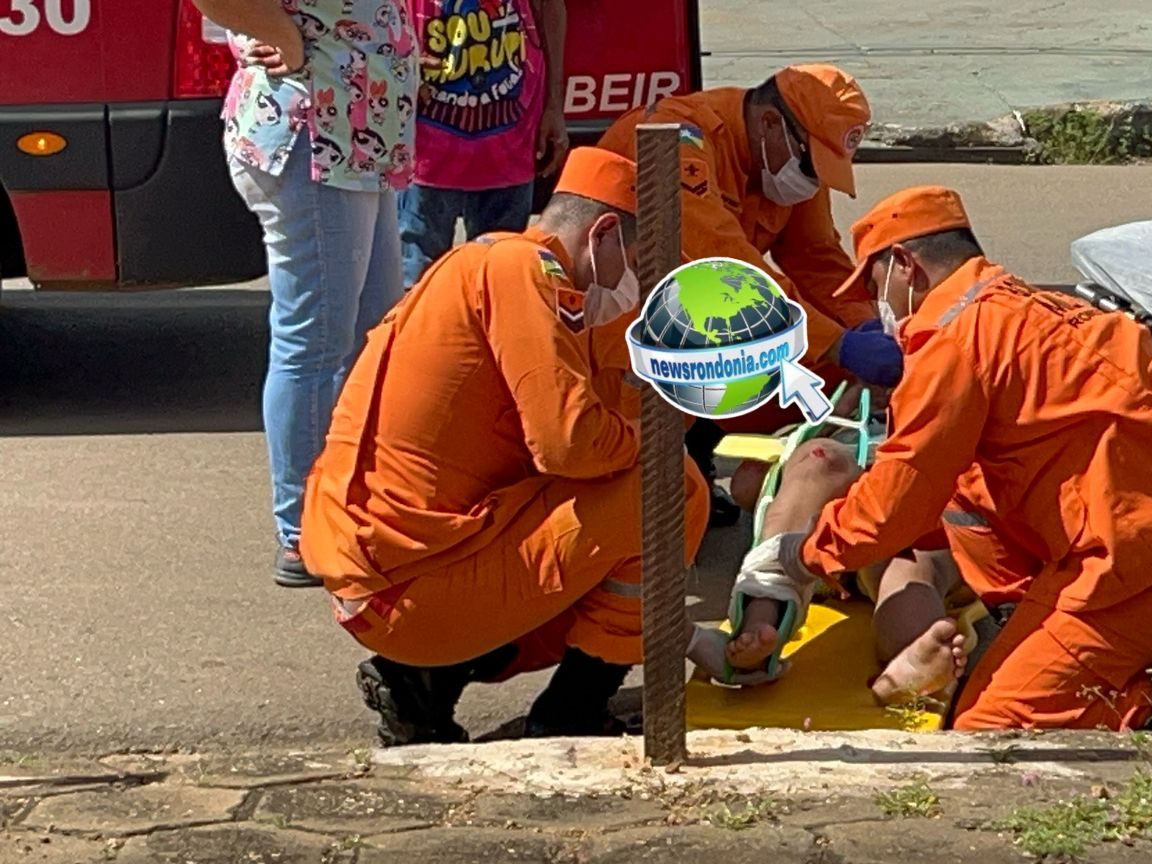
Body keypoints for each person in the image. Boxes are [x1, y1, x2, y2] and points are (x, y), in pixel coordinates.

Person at [728, 185, 1152, 731]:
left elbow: (898, 497)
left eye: (876, 288)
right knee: (946, 510)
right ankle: (1058, 648)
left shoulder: (954, 344)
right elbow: (946, 491)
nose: (881, 310)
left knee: (992, 727)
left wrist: (800, 556)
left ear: (903, 265)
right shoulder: (1032, 310)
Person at [298, 148, 742, 746]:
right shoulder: (524, 272)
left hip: (386, 577)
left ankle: (426, 682)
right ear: (603, 234)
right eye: (638, 266)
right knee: (669, 487)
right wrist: (655, 436)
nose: (636, 292)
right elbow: (571, 445)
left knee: (610, 501)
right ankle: (570, 711)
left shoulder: (492, 266)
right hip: (407, 589)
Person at [595, 63, 902, 526]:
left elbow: (816, 257)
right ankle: (642, 485)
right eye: (810, 166)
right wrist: (838, 342)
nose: (812, 181)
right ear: (770, 123)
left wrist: (865, 323)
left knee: (835, 363)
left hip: (705, 322)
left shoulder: (791, 160)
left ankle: (711, 464)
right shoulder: (676, 138)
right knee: (632, 499)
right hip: (627, 331)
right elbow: (722, 264)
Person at [196, 0, 418, 588]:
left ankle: (350, 504)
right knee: (316, 345)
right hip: (316, 139)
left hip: (353, 138)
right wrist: (283, 40)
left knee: (370, 338)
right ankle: (301, 532)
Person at [724, 434, 969, 706]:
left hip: (908, 507)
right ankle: (763, 615)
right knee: (820, 460)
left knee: (914, 563)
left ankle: (912, 655)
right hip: (842, 503)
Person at [399, 0, 570, 289]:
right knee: (416, 287)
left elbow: (550, 7)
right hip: (428, 143)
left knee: (501, 284)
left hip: (510, 137)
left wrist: (554, 105)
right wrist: (397, 60)